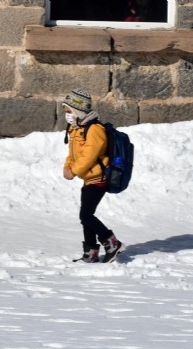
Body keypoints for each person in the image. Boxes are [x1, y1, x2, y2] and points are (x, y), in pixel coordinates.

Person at [62, 89, 124, 263]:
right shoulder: (77, 129)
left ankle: (111, 242)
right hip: (88, 179)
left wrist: (74, 171)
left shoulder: (95, 130)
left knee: (86, 216)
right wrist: (67, 167)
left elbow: (89, 156)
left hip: (98, 179)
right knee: (86, 216)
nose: (66, 115)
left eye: (68, 111)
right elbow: (73, 154)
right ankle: (91, 252)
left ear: (78, 111)